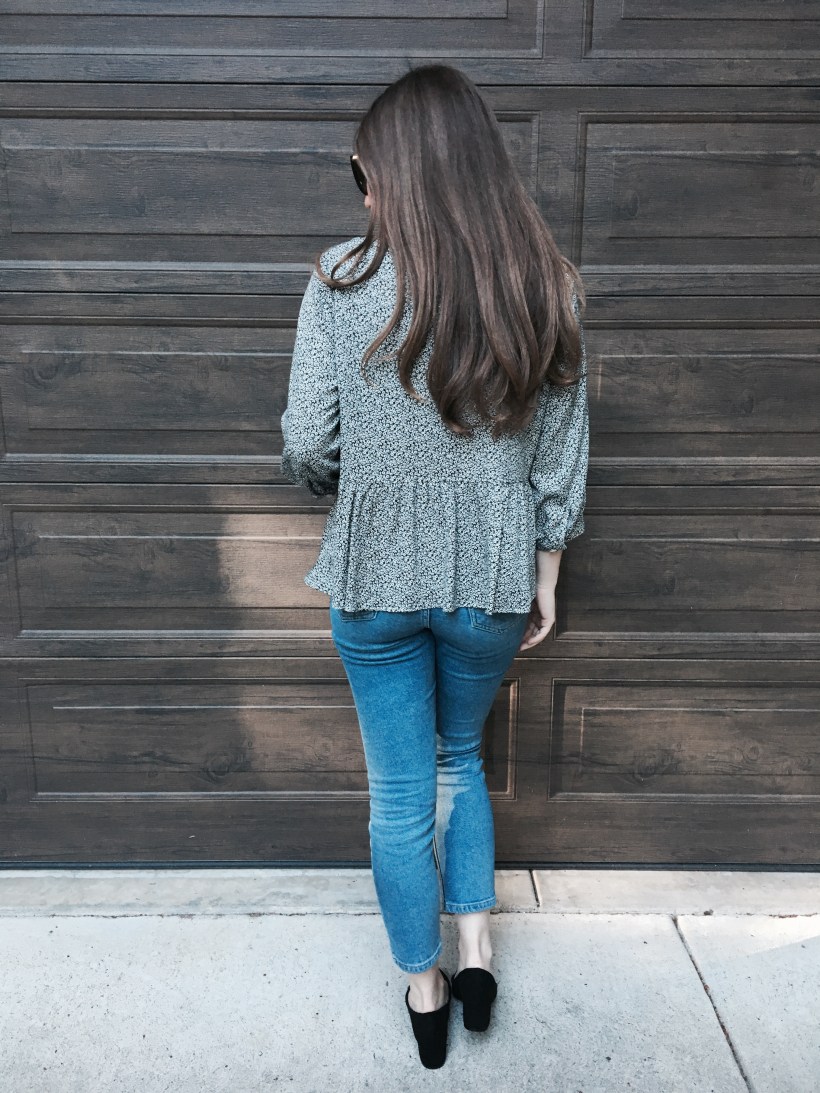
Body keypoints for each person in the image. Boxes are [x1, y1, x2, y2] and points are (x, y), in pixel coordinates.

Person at [280, 63, 589, 1069]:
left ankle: (423, 988)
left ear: (394, 178)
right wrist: (545, 570)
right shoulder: (540, 281)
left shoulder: (337, 279)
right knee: (461, 762)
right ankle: (479, 950)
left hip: (374, 577)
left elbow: (306, 445)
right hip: (489, 576)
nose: (359, 192)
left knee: (398, 792)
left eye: (362, 172)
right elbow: (558, 452)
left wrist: (351, 476)